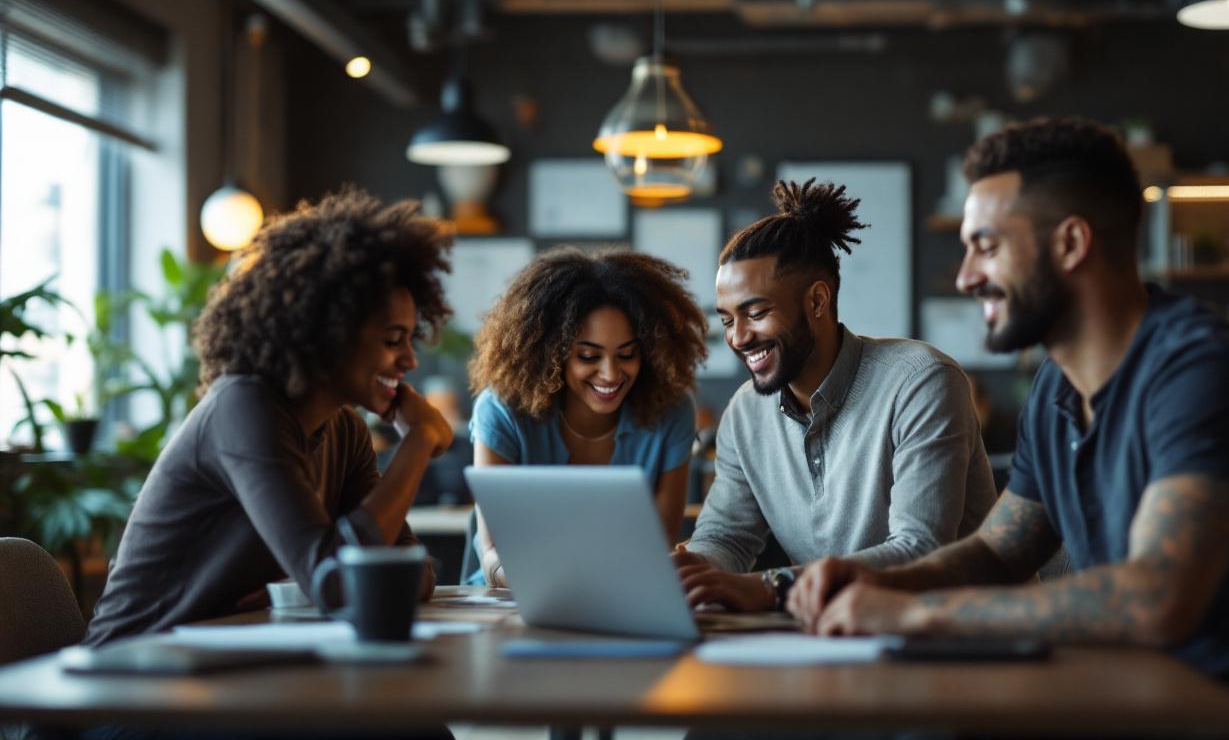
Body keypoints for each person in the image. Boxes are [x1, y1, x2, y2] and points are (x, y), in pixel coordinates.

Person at [789, 117, 1229, 735]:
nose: (968, 275)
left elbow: (1155, 599)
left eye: (989, 246)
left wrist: (915, 616)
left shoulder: (1201, 374)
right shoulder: (1058, 385)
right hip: (1147, 696)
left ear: (1072, 244)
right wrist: (878, 577)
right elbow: (999, 551)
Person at [84, 189, 455, 646]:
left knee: (407, 721)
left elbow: (410, 577)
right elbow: (342, 585)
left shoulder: (345, 430)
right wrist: (417, 442)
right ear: (331, 332)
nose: (409, 360)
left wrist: (327, 577)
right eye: (394, 339)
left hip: (225, 667)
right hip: (132, 675)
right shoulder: (244, 409)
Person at [675, 179, 997, 613]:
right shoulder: (745, 413)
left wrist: (771, 587)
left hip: (965, 636)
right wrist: (690, 571)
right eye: (727, 320)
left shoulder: (922, 381)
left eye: (755, 313)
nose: (738, 338)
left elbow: (920, 548)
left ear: (818, 301)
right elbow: (726, 537)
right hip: (838, 632)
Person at [467, 247, 708, 587]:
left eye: (627, 354)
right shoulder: (502, 409)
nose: (610, 374)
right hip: (512, 596)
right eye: (588, 356)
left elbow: (658, 548)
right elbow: (492, 550)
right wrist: (556, 583)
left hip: (622, 597)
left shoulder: (671, 411)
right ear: (551, 352)